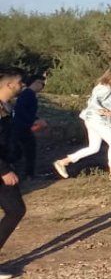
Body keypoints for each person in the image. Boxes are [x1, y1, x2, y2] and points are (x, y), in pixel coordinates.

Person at [53, 67, 111, 181]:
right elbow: (93, 102)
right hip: (97, 119)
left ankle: (63, 162)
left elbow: (92, 101)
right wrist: (104, 111)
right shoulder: (106, 89)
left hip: (90, 118)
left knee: (93, 147)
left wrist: (107, 110)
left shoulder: (102, 86)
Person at [0, 67, 28, 278]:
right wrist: (4, 170)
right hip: (2, 169)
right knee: (15, 209)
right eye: (20, 83)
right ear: (9, 85)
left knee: (15, 209)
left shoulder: (7, 107)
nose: (22, 86)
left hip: (6, 165)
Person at [12, 73, 46, 178]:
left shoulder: (29, 94)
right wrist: (34, 121)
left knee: (22, 150)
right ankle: (28, 174)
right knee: (28, 150)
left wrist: (35, 119)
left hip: (21, 126)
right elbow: (21, 111)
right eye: (41, 83)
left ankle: (24, 173)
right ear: (35, 82)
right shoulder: (28, 94)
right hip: (21, 127)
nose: (42, 86)